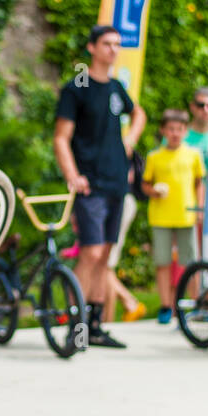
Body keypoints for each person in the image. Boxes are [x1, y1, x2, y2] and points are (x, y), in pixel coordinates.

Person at [54, 24, 147, 348]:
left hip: (117, 182)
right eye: (107, 44)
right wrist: (72, 174)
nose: (113, 49)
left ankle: (93, 327)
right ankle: (74, 326)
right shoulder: (76, 88)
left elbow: (139, 114)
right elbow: (61, 138)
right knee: (90, 253)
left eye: (117, 44)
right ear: (92, 47)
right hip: (89, 184)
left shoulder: (117, 87)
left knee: (106, 255)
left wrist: (129, 140)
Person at [144, 109, 205, 324]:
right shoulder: (154, 157)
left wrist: (200, 209)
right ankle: (165, 306)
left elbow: (199, 183)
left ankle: (196, 303)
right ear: (163, 131)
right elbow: (145, 184)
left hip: (186, 216)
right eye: (171, 129)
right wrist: (154, 191)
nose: (175, 133)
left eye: (179, 129)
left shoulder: (193, 154)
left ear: (185, 131)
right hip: (161, 216)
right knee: (163, 262)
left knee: (190, 263)